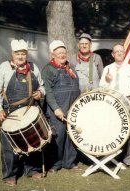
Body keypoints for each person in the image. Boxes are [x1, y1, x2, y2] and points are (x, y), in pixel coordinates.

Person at [0, 39, 45, 186]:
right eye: (17, 53)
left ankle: (32, 169)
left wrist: (40, 93)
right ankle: (10, 174)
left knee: (32, 141)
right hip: (10, 111)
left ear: (26, 54)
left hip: (29, 110)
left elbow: (42, 86)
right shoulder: (4, 67)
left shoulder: (34, 67)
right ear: (12, 54)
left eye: (23, 53)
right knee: (8, 147)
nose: (20, 56)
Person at [99, 43, 130, 167]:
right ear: (113, 54)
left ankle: (128, 158)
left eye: (121, 51)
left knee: (128, 129)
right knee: (113, 129)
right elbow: (102, 87)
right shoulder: (107, 68)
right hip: (112, 101)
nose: (119, 53)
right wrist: (107, 81)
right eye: (116, 51)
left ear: (124, 54)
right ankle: (112, 157)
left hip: (127, 100)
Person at [42, 40, 80, 173]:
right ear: (53, 55)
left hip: (72, 107)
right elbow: (48, 91)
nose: (62, 55)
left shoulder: (71, 67)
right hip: (57, 109)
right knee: (57, 136)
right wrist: (56, 108)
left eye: (64, 52)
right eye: (59, 53)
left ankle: (69, 162)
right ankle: (55, 164)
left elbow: (77, 87)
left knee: (71, 136)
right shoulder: (48, 69)